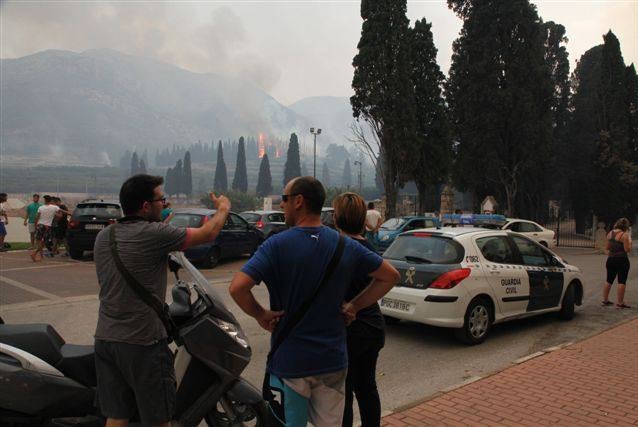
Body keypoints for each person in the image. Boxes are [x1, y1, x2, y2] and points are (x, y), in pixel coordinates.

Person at [229, 176, 399, 427]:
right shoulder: (344, 245)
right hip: (333, 361)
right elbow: (389, 276)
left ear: (299, 201)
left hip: (291, 363)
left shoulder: (276, 245)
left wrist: (261, 314)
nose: (281, 205)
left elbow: (237, 288)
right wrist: (355, 306)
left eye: (284, 199)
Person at [93, 174, 231, 427]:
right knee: (158, 419)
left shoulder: (105, 236)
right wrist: (223, 208)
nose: (165, 204)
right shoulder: (154, 234)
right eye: (161, 199)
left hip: (106, 339)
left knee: (117, 415)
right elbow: (209, 233)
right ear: (146, 206)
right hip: (142, 343)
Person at [334, 193, 386, 427]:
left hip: (350, 330)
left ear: (336, 219)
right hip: (372, 327)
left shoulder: (341, 249)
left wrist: (353, 305)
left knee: (343, 394)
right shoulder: (368, 248)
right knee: (366, 389)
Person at [602, 217, 632, 309]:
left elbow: (607, 248)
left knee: (609, 280)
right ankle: (620, 302)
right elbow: (627, 249)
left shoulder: (610, 233)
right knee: (621, 281)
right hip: (622, 260)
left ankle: (605, 300)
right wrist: (630, 242)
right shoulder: (624, 235)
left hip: (610, 259)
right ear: (626, 226)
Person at [31, 195, 60, 261]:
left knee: (39, 241)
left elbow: (37, 218)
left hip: (40, 225)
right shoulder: (54, 207)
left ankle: (39, 255)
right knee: (44, 242)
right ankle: (37, 254)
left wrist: (35, 227)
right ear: (51, 200)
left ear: (45, 200)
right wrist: (55, 215)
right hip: (47, 226)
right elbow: (60, 214)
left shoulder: (40, 207)